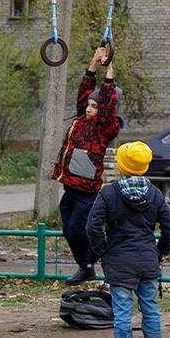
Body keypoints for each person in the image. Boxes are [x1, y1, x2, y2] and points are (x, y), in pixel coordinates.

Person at [87, 141, 170, 338]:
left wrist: (101, 249)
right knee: (151, 310)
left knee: (123, 313)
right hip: (147, 260)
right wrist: (160, 251)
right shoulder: (155, 193)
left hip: (119, 261)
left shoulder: (109, 193)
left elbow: (93, 225)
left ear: (122, 165)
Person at [51, 47, 121, 285]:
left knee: (76, 230)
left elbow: (107, 106)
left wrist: (109, 76)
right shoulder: (82, 119)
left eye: (95, 106)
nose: (90, 108)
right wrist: (92, 66)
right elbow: (84, 93)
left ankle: (91, 262)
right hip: (70, 187)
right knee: (69, 230)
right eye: (89, 105)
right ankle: (90, 262)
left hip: (86, 191)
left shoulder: (105, 127)